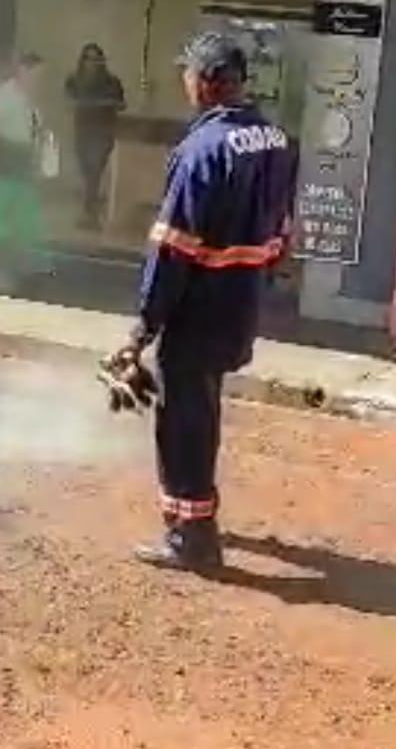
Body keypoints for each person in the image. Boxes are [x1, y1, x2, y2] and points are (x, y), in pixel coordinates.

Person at [112, 32, 298, 570]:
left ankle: (192, 538)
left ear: (208, 84)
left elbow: (174, 248)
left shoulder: (201, 150)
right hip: (243, 302)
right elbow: (284, 229)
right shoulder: (277, 139)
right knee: (205, 408)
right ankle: (200, 515)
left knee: (185, 420)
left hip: (200, 306)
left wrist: (143, 327)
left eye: (190, 74)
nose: (185, 83)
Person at [0, 52, 51, 285]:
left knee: (27, 215)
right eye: (35, 74)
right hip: (3, 162)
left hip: (22, 163)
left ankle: (29, 264)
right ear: (22, 71)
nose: (38, 80)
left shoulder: (31, 100)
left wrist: (38, 163)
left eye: (41, 76)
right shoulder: (4, 96)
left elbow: (34, 134)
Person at [65, 43, 125, 230]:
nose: (92, 63)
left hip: (103, 132)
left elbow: (121, 104)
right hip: (82, 131)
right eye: (88, 58)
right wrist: (92, 104)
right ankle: (89, 212)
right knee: (86, 172)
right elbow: (68, 101)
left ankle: (89, 214)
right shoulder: (74, 80)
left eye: (95, 59)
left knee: (94, 172)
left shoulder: (112, 82)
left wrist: (98, 104)